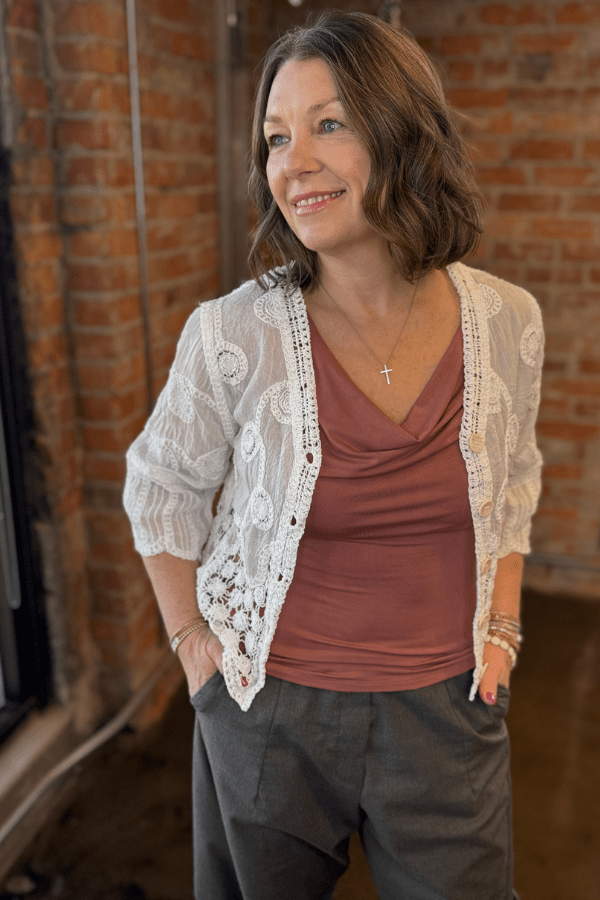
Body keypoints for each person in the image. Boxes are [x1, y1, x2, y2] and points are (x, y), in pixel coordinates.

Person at [124, 11, 543, 900]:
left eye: (329, 123)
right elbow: (160, 489)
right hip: (267, 711)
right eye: (277, 137)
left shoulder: (508, 322)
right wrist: (195, 650)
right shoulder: (232, 333)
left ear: (402, 133)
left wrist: (502, 629)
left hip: (448, 710)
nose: (294, 161)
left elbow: (512, 481)